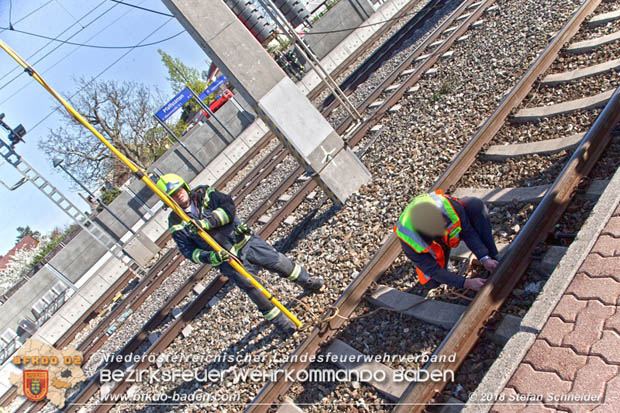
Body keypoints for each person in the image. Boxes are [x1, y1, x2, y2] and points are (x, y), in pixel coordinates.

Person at [156, 173, 324, 338]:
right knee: (255, 291)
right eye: (173, 194)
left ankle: (308, 282)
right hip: (228, 261)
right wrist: (210, 257)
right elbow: (189, 251)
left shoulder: (204, 194)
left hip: (246, 243)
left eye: (179, 189)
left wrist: (207, 223)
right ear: (168, 200)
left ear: (185, 186)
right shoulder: (176, 223)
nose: (179, 194)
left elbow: (228, 207)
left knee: (281, 263)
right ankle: (282, 324)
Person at [394, 190, 499, 291]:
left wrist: (484, 257)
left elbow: (468, 232)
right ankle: (445, 259)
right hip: (431, 245)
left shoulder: (448, 207)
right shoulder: (409, 241)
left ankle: (493, 257)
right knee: (431, 282)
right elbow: (433, 270)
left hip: (449, 221)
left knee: (475, 205)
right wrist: (466, 283)